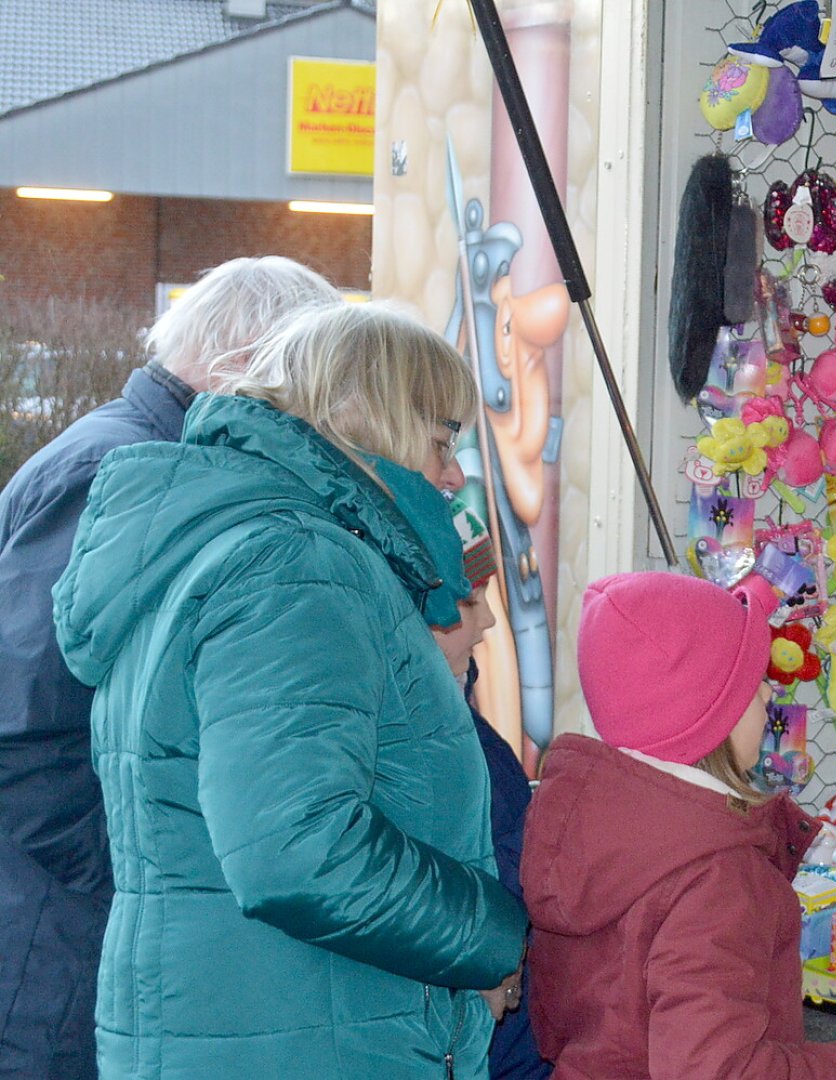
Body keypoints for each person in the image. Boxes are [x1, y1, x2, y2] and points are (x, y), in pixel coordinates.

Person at [51, 303, 528, 1077]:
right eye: (441, 440)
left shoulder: (233, 544)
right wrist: (491, 937)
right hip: (302, 1037)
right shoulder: (298, 564)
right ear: (360, 419)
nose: (451, 474)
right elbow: (296, 849)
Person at [0, 256, 339, 1079]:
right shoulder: (118, 474)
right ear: (240, 364)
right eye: (300, 381)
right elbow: (23, 728)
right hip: (57, 947)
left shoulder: (146, 459)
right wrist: (138, 874)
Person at [521, 571, 836, 1079]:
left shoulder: (594, 826)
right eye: (751, 685)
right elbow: (717, 1071)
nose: (767, 694)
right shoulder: (716, 875)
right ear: (711, 717)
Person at [426, 494, 551, 1080]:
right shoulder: (417, 740)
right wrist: (485, 955)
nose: (490, 621)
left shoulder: (461, 718)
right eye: (468, 601)